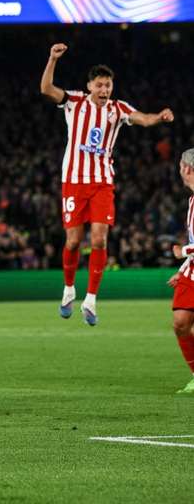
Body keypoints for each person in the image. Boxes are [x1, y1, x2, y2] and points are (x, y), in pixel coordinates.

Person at [40, 43, 174, 325]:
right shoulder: (74, 102)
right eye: (99, 85)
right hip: (74, 182)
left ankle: (90, 300)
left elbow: (142, 119)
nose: (104, 90)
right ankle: (68, 290)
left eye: (108, 85)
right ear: (89, 86)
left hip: (102, 182)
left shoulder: (118, 108)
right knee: (74, 241)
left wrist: (158, 117)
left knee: (100, 239)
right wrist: (52, 59)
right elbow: (46, 89)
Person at [168, 148, 194, 394]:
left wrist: (182, 253)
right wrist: (183, 268)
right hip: (192, 271)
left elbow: (191, 246)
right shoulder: (191, 200)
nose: (179, 172)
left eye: (179, 167)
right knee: (180, 323)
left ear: (187, 169)